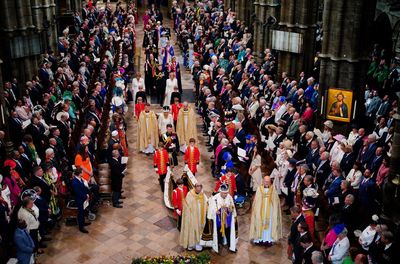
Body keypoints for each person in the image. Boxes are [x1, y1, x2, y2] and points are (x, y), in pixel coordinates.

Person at [249, 176, 282, 246]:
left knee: (269, 224)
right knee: (259, 223)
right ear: (263, 181)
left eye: (268, 181)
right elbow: (256, 201)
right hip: (260, 211)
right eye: (265, 181)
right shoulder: (259, 189)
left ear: (270, 182)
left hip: (270, 211)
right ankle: (259, 239)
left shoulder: (273, 189)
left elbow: (276, 201)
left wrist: (274, 209)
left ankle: (268, 239)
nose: (266, 183)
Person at [207, 183, 238, 253]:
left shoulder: (229, 197)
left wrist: (231, 209)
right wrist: (215, 211)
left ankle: (231, 246)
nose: (225, 195)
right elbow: (211, 208)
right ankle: (217, 245)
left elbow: (232, 206)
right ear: (220, 191)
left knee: (228, 232)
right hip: (219, 219)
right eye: (224, 193)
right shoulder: (215, 198)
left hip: (227, 220)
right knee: (218, 233)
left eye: (226, 193)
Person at [180, 183, 208, 251]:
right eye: (197, 189)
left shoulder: (202, 195)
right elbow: (186, 206)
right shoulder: (190, 194)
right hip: (192, 216)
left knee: (199, 229)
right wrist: (189, 214)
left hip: (200, 217)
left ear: (201, 188)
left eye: (200, 189)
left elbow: (206, 203)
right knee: (191, 229)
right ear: (195, 188)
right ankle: (191, 244)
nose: (198, 191)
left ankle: (198, 243)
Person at [71, 168, 90, 233]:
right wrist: (85, 196)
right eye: (82, 172)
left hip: (83, 198)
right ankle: (81, 227)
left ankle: (83, 222)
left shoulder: (80, 179)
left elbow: (84, 188)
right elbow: (78, 192)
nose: (83, 173)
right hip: (79, 199)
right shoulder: (75, 182)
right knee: (80, 213)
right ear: (79, 174)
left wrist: (87, 194)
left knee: (83, 211)